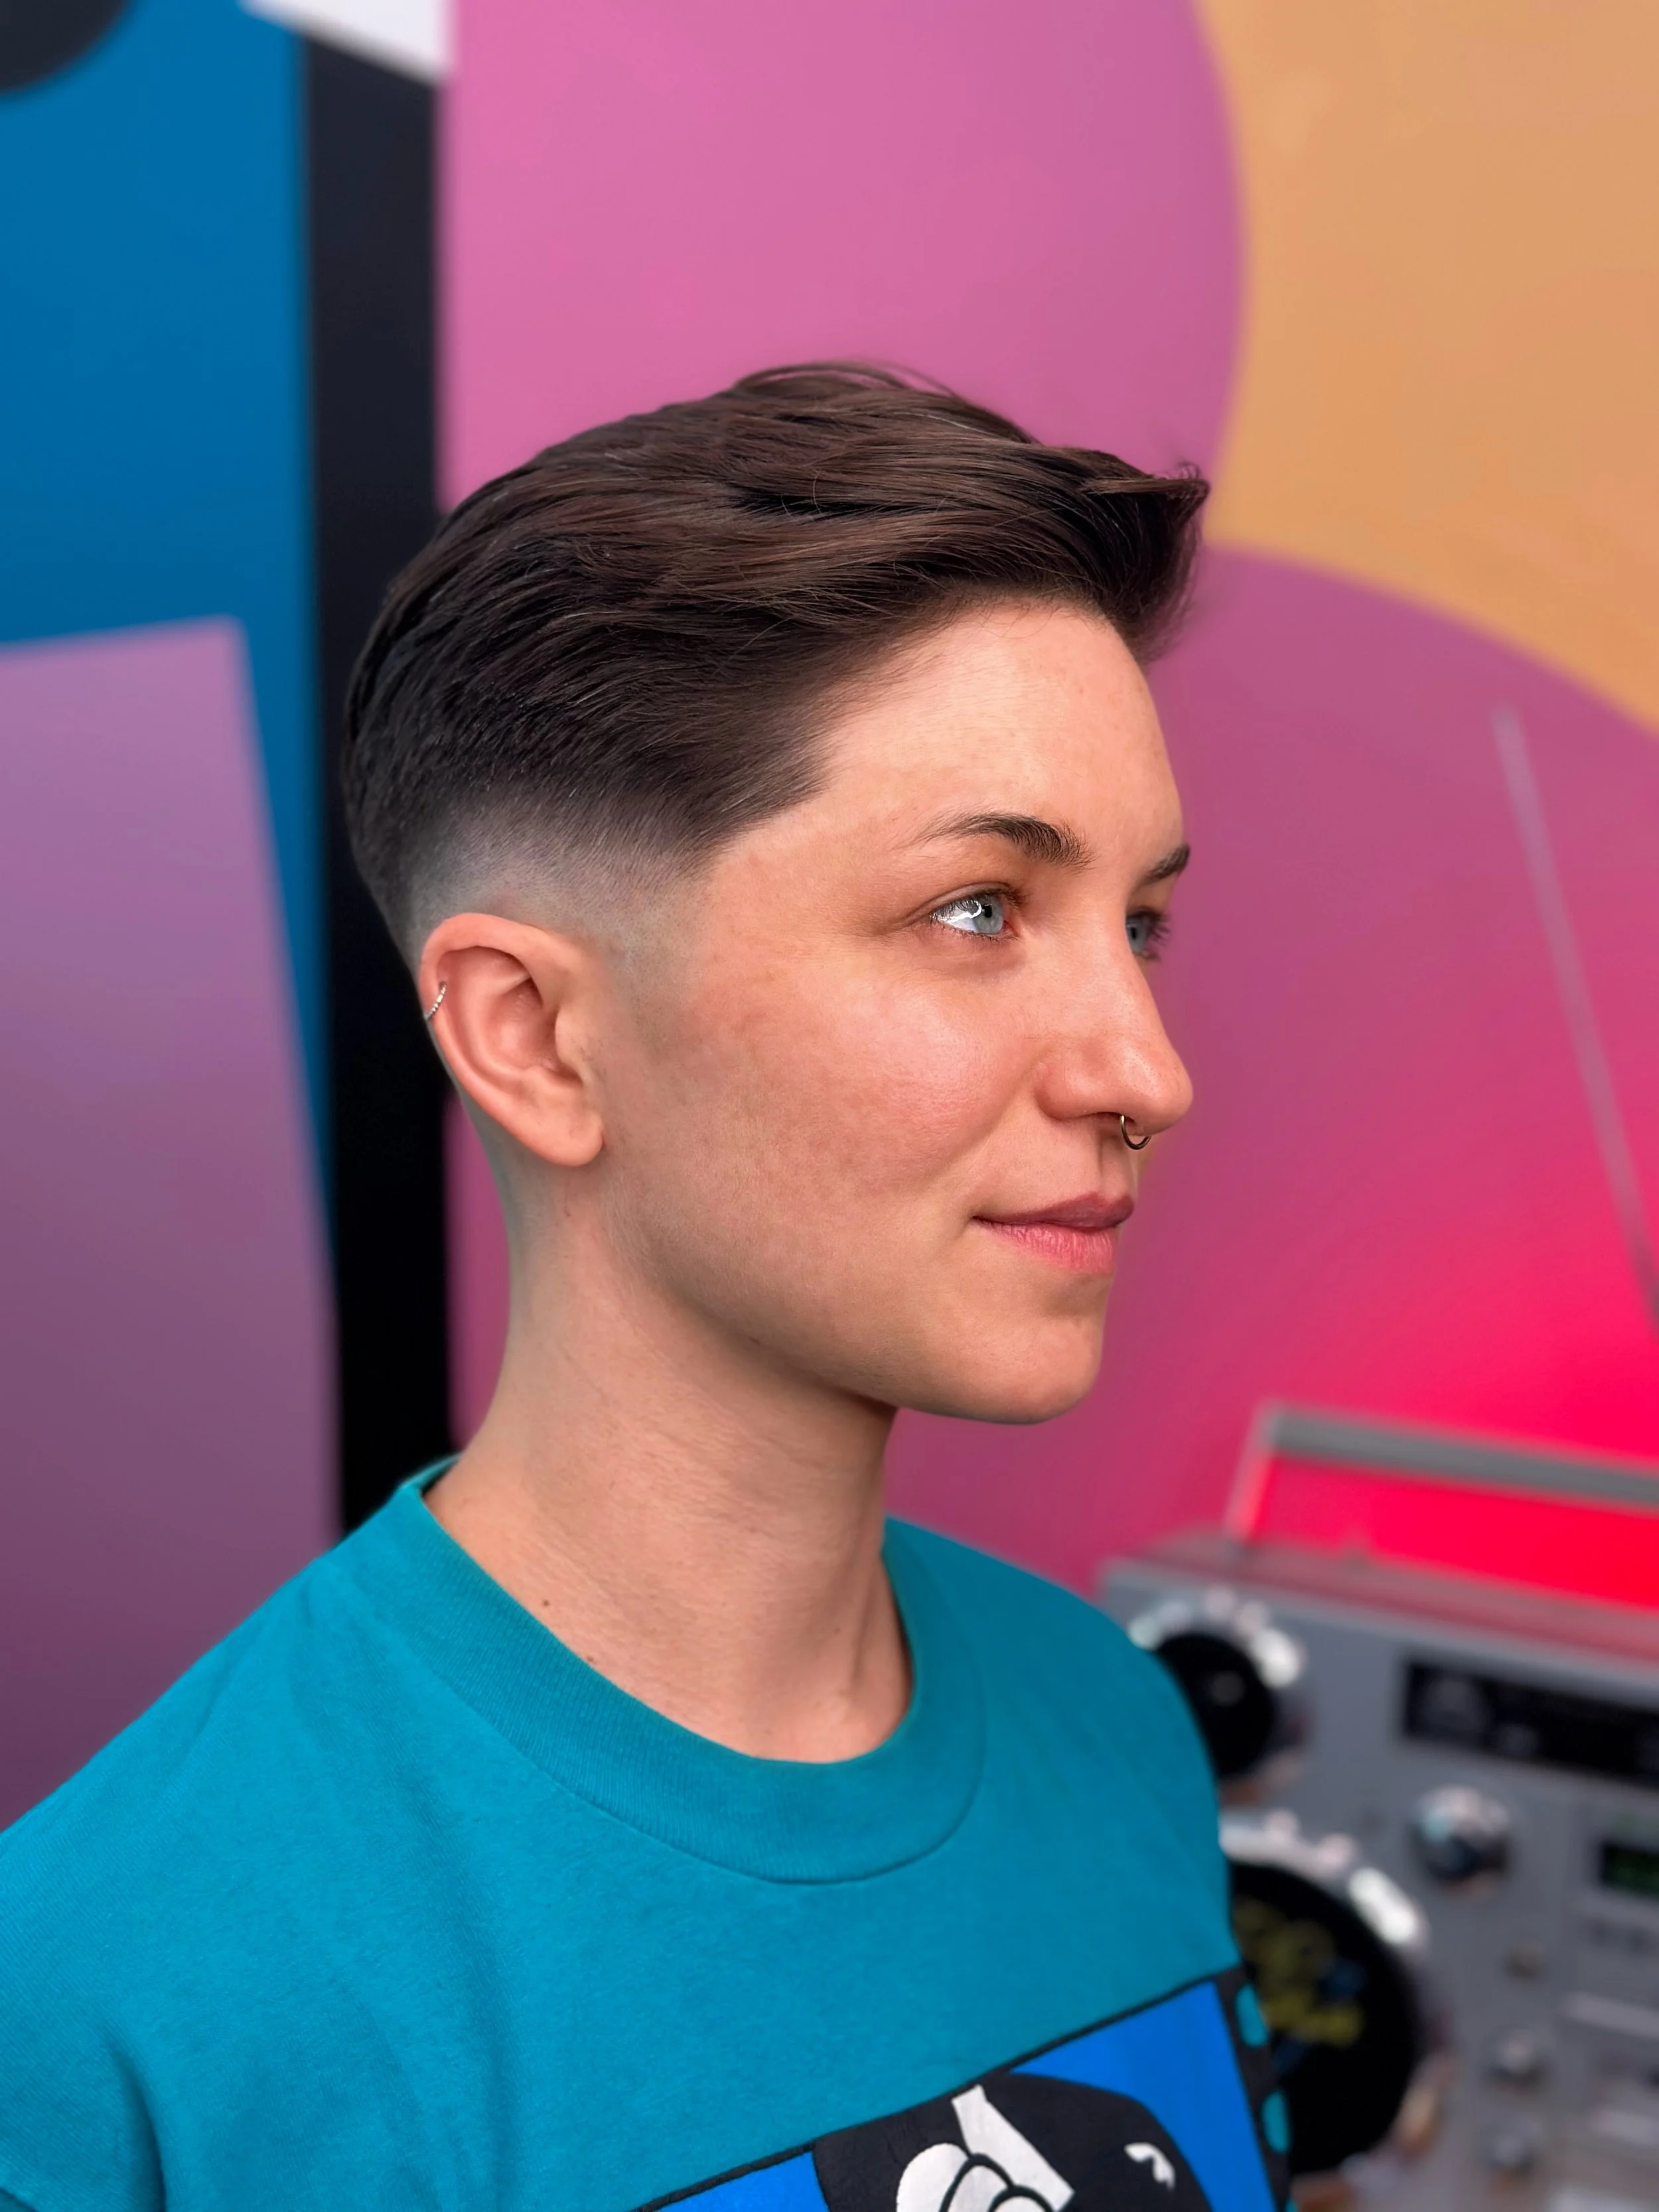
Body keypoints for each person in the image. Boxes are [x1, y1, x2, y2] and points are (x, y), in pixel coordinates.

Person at [0, 366, 1287, 2211]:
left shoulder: (1112, 1723)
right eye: (980, 909)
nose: (1140, 1067)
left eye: (1137, 919)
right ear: (529, 1035)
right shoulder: (106, 2009)